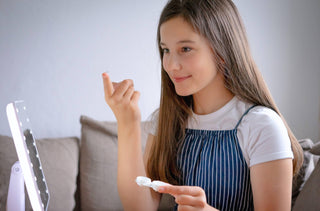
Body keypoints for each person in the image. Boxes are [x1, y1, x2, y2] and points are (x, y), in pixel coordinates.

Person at [102, 0, 303, 210]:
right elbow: (139, 208)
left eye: (185, 48)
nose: (170, 65)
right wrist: (128, 124)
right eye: (166, 50)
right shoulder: (165, 119)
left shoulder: (262, 126)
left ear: (222, 50)